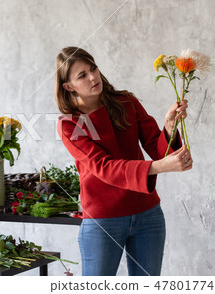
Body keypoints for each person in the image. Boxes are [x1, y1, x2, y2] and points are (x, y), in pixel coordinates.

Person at [55, 47, 192, 276]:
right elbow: (104, 167)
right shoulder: (70, 123)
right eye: (82, 75)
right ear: (68, 86)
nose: (93, 77)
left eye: (93, 68)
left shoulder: (125, 102)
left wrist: (169, 125)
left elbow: (155, 146)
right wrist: (159, 167)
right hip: (103, 219)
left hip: (148, 213)